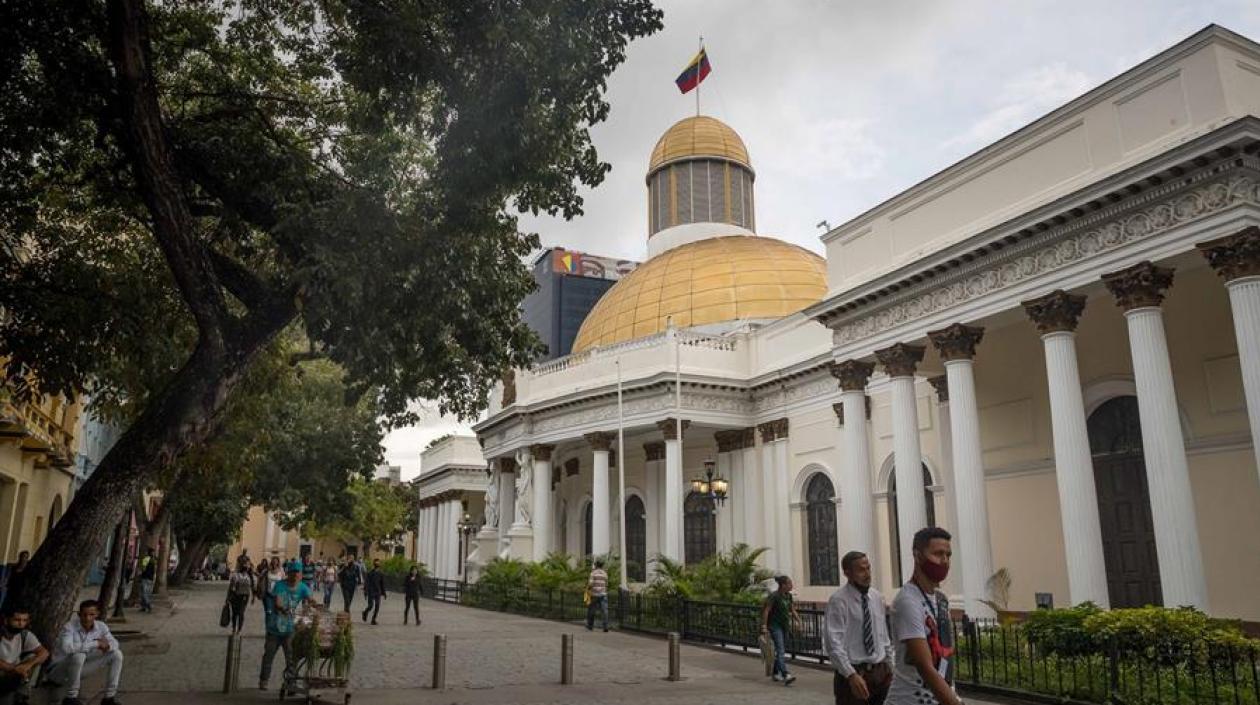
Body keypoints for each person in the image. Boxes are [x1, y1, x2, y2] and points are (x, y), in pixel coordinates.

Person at [887, 528, 961, 705]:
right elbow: (925, 666)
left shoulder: (941, 600)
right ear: (918, 556)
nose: (944, 561)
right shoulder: (908, 601)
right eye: (937, 554)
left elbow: (944, 656)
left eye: (948, 555)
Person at [825, 551, 894, 705]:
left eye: (868, 568)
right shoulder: (838, 601)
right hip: (854, 674)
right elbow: (833, 643)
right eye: (861, 570)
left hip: (881, 673)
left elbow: (883, 636)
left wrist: (891, 667)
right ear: (848, 573)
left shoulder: (877, 597)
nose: (867, 574)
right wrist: (850, 675)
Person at [46, 599, 123, 705]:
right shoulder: (69, 627)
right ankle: (71, 698)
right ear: (79, 614)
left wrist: (108, 646)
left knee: (116, 654)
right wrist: (96, 644)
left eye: (91, 614)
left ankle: (109, 698)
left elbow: (115, 644)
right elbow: (67, 649)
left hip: (79, 670)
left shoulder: (101, 626)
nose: (87, 618)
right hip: (58, 673)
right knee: (79, 655)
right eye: (84, 615)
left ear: (97, 614)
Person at [259, 562, 312, 691]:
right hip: (274, 628)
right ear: (288, 574)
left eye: (297, 573)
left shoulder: (303, 588)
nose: (295, 576)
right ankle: (264, 680)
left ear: (300, 575)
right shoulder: (280, 585)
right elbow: (278, 602)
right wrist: (283, 608)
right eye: (292, 573)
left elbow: (310, 601)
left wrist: (313, 606)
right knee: (269, 656)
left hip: (290, 629)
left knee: (291, 658)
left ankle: (291, 683)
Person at [0, 607, 49, 705]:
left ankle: (21, 696)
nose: (21, 624)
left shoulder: (24, 634)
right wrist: (13, 668)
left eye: (24, 620)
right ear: (6, 620)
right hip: (3, 673)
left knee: (34, 657)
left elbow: (44, 652)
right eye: (17, 620)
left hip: (15, 674)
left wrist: (27, 665)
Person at [760, 574, 800, 685]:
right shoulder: (774, 596)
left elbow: (792, 609)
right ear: (783, 585)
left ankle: (775, 672)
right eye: (789, 583)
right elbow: (766, 611)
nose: (791, 585)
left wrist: (798, 620)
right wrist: (764, 626)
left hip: (784, 626)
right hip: (775, 626)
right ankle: (785, 674)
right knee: (781, 650)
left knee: (781, 651)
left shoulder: (788, 596)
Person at [225, 557, 255, 634]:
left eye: (247, 566)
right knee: (235, 613)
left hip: (244, 596)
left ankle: (239, 629)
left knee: (241, 612)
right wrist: (228, 598)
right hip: (235, 596)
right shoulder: (235, 575)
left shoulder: (250, 577)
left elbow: (252, 587)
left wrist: (253, 597)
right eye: (245, 566)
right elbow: (231, 588)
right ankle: (234, 627)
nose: (247, 567)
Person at [584, 559, 609, 632]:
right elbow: (607, 584)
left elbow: (591, 583)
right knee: (604, 611)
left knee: (592, 610)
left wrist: (587, 589)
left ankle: (590, 626)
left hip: (594, 594)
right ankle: (605, 626)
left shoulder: (593, 573)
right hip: (603, 594)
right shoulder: (605, 573)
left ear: (596, 565)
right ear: (602, 566)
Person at [361, 559, 386, 625]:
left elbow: (382, 584)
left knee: (377, 606)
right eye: (376, 563)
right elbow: (366, 583)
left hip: (378, 592)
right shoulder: (370, 573)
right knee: (370, 606)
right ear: (374, 564)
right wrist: (365, 592)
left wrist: (384, 593)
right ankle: (365, 612)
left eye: (378, 563)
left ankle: (373, 619)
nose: (377, 564)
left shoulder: (381, 573)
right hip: (371, 591)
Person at [138, 548, 156, 613]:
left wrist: (139, 574)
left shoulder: (145, 559)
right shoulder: (153, 560)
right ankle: (144, 607)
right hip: (150, 579)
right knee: (147, 593)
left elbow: (143, 568)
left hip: (145, 578)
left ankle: (148, 605)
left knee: (143, 593)